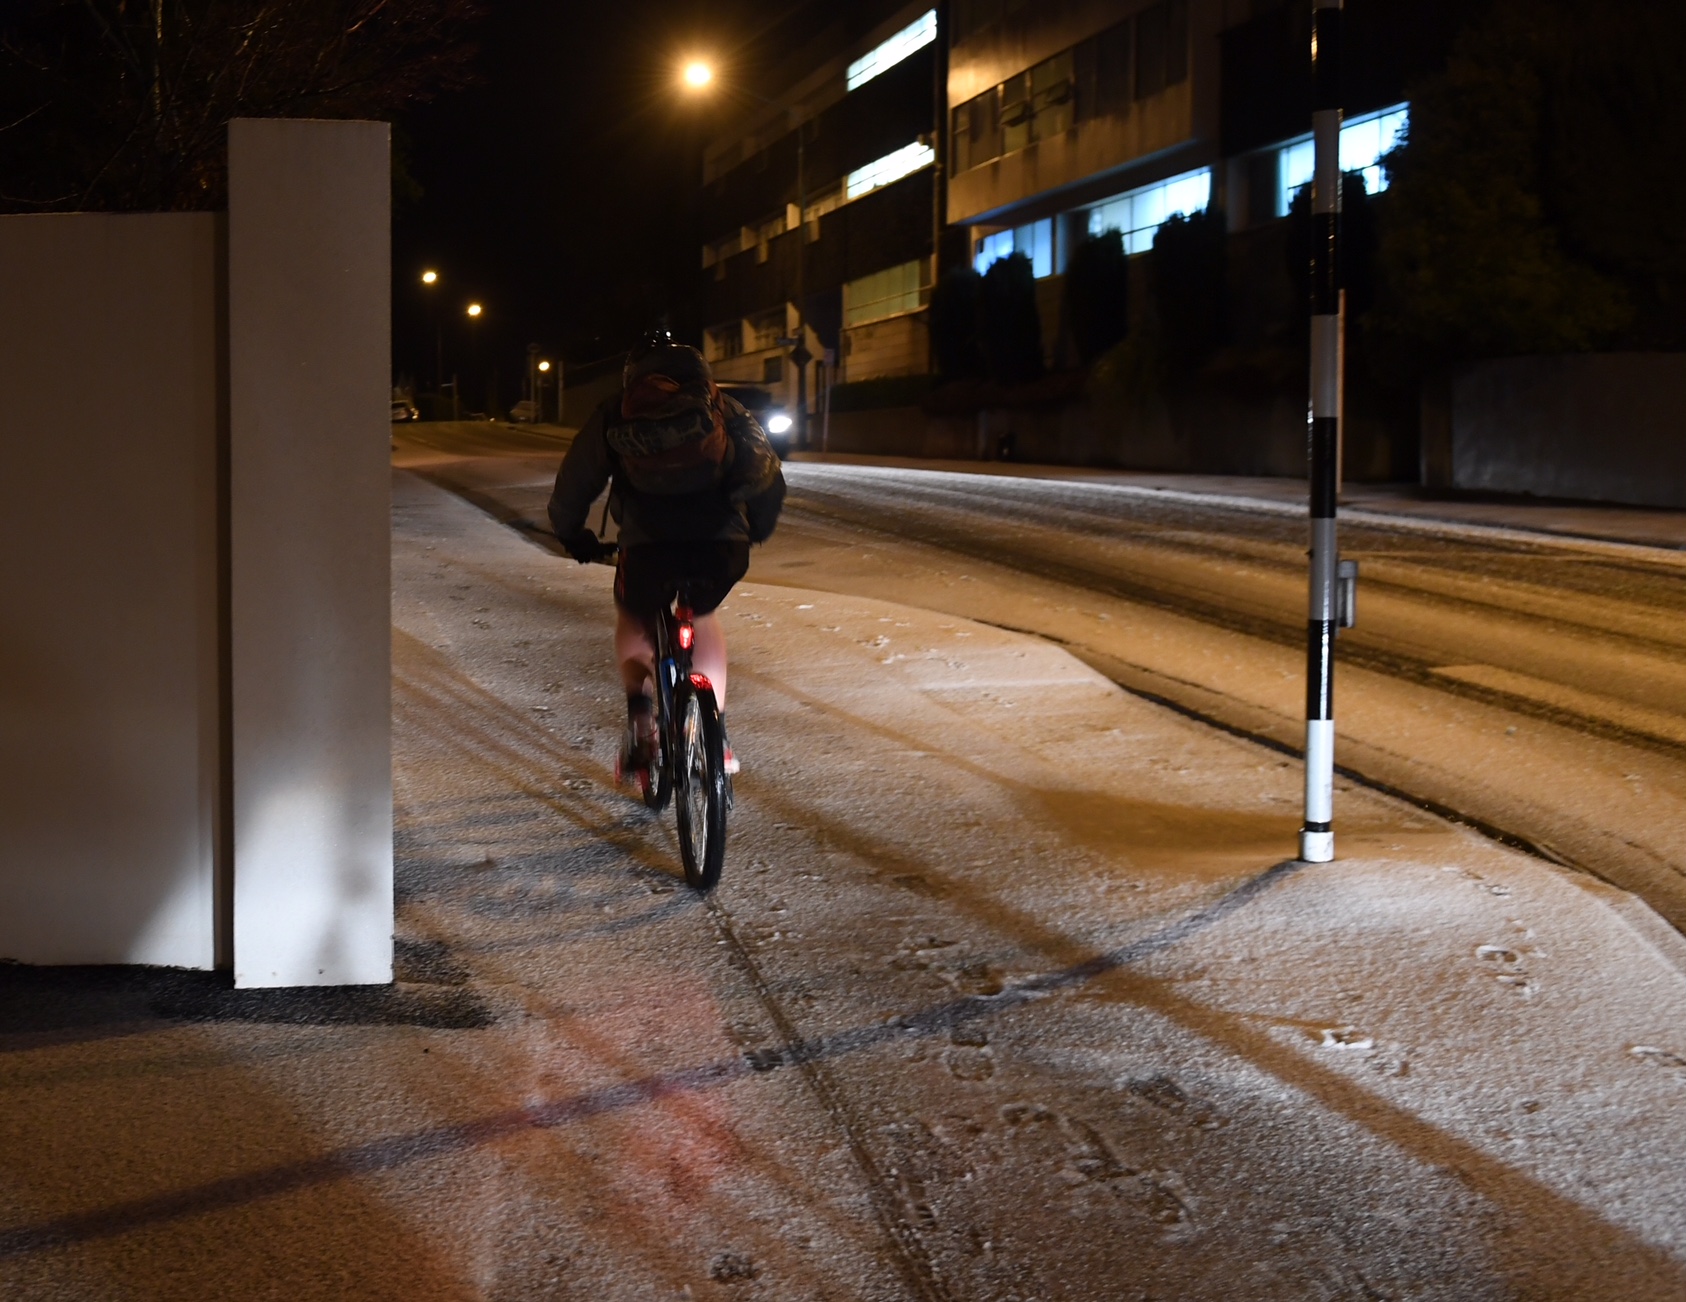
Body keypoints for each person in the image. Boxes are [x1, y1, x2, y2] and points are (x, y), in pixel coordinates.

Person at [547, 332, 786, 782]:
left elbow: (574, 483)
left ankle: (642, 720)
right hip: (720, 546)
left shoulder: (615, 412)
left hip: (646, 547)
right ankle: (717, 737)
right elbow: (766, 474)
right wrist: (758, 528)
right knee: (703, 615)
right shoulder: (724, 408)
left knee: (636, 617)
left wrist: (572, 535)